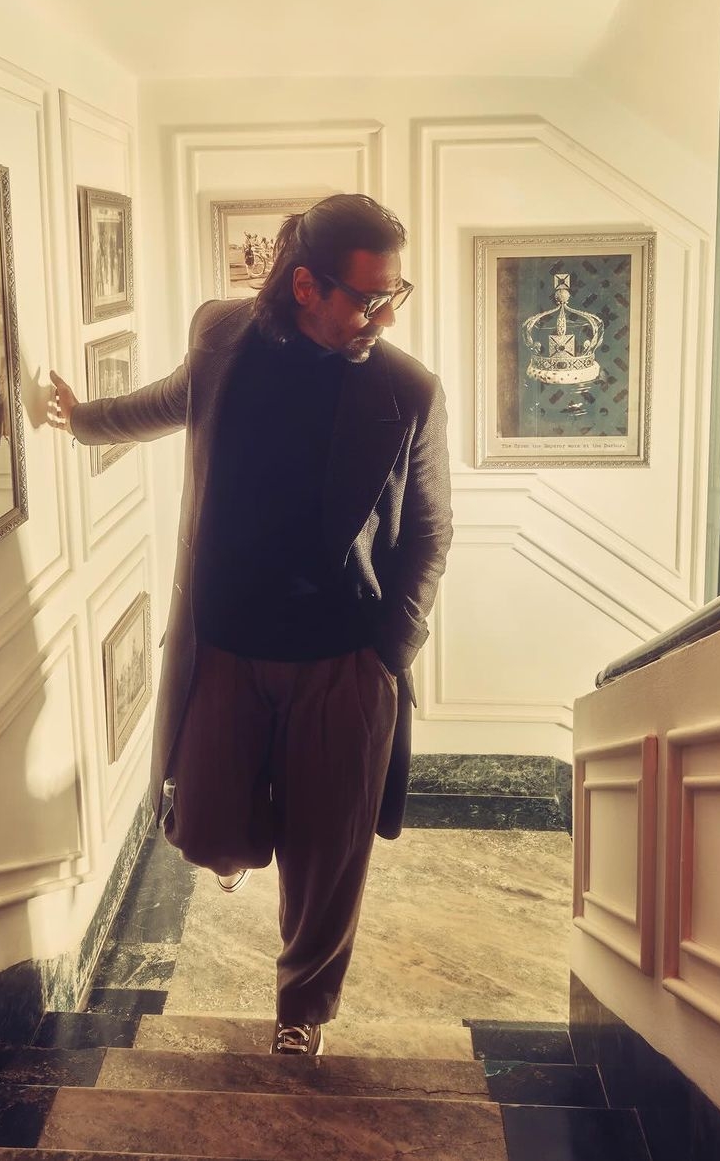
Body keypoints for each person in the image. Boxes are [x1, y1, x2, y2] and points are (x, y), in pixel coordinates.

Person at [48, 193, 452, 1056]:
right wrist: (83, 420)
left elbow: (430, 530)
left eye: (395, 294)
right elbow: (171, 401)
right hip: (224, 647)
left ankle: (303, 1009)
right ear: (305, 286)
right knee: (205, 829)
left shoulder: (406, 390)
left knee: (327, 858)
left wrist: (389, 654)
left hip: (344, 659)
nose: (385, 315)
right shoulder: (221, 334)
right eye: (368, 298)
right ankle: (237, 848)